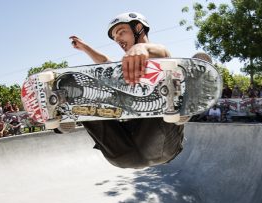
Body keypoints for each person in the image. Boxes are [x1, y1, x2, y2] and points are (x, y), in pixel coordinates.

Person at [69, 12, 187, 169]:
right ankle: (67, 113)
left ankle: (180, 110)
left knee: (170, 75)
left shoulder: (161, 57)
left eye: (121, 32)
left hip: (160, 142)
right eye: (115, 38)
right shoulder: (122, 72)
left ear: (138, 28)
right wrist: (85, 48)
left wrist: (142, 48)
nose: (118, 39)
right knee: (89, 88)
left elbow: (163, 52)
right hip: (122, 152)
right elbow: (105, 62)